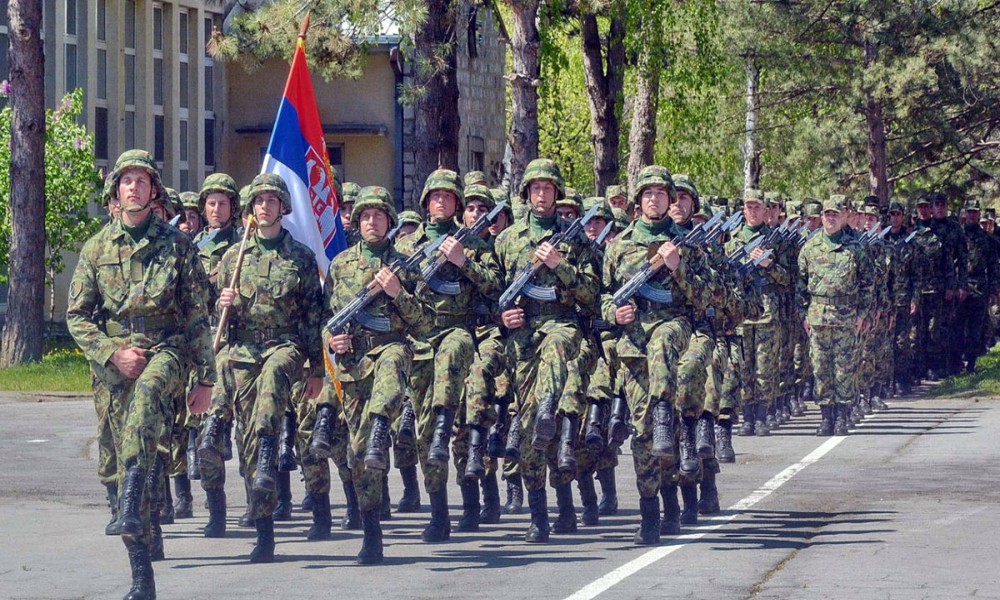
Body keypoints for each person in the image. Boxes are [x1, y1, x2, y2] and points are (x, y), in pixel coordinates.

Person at [67, 149, 216, 599]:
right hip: (114, 365)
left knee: (149, 399)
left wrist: (206, 378)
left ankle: (134, 500)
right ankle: (141, 577)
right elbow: (78, 316)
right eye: (126, 180)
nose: (133, 186)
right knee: (116, 467)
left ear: (154, 193)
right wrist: (112, 352)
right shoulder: (96, 248)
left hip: (165, 352)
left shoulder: (178, 247)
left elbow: (196, 317)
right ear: (116, 191)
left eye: (142, 180)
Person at [203, 173, 325, 562]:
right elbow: (211, 321)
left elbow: (311, 318)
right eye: (258, 201)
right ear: (250, 209)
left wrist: (317, 368)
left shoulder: (300, 258)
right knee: (251, 449)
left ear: (283, 207)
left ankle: (271, 442)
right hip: (242, 350)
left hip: (284, 346)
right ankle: (218, 432)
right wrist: (222, 303)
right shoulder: (232, 259)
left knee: (272, 382)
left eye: (272, 201)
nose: (265, 207)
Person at [601, 165, 725, 545]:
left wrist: (678, 266)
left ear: (672, 200)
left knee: (666, 411)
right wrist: (613, 312)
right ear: (638, 202)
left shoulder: (688, 244)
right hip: (633, 347)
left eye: (661, 193)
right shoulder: (620, 244)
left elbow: (708, 298)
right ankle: (654, 511)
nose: (654, 199)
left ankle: (662, 412)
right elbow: (604, 294)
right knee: (646, 437)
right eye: (647, 194)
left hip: (674, 332)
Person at [493, 158, 599, 542]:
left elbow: (591, 297)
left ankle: (546, 405)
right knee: (531, 435)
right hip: (522, 340)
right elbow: (490, 295)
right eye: (535, 189)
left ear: (557, 193)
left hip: (562, 325)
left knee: (552, 376)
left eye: (548, 189)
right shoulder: (507, 239)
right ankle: (545, 512)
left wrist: (560, 266)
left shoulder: (574, 239)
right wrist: (504, 315)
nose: (542, 195)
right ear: (527, 193)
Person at [323, 185, 430, 564]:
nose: (371, 222)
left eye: (378, 216)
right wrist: (333, 341)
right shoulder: (341, 265)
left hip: (393, 346)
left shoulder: (407, 262)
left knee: (390, 369)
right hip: (354, 364)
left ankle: (383, 423)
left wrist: (398, 292)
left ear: (389, 221)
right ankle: (372, 532)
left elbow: (424, 322)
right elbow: (326, 319)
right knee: (358, 455)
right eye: (365, 216)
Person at [395, 169, 499, 540]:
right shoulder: (407, 247)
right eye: (435, 196)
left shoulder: (474, 244)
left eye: (448, 197)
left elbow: (495, 290)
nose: (441, 202)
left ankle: (472, 504)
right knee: (428, 437)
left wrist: (462, 261)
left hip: (459, 333)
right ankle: (439, 514)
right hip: (421, 342)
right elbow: (396, 298)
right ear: (426, 203)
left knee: (456, 426)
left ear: (457, 203)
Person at [797, 195, 874, 436]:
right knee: (820, 367)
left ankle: (842, 415)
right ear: (821, 217)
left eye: (835, 214)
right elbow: (800, 284)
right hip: (818, 315)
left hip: (846, 314)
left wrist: (862, 314)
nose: (830, 218)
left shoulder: (856, 248)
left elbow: (868, 283)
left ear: (844, 217)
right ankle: (826, 417)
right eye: (827, 214)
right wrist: (803, 314)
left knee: (844, 367)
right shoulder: (809, 248)